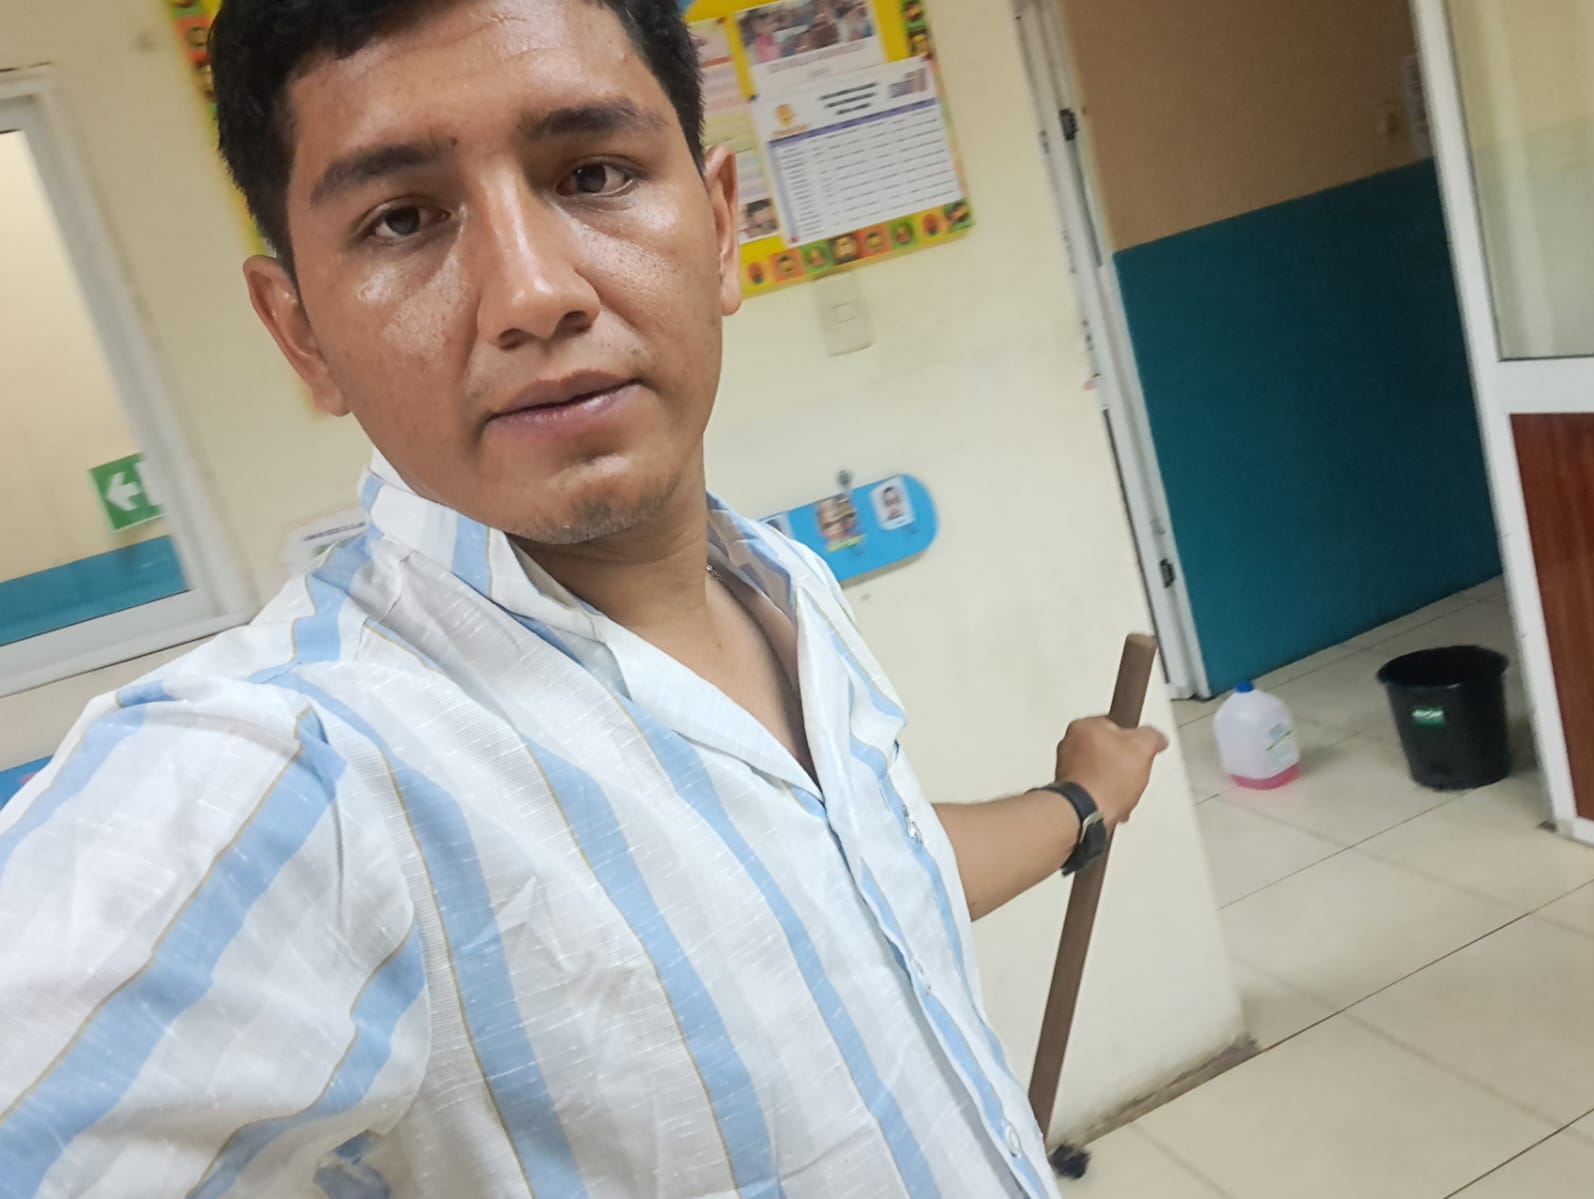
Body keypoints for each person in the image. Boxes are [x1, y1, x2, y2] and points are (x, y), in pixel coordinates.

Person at [0, 1, 1167, 1196]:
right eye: (403, 218)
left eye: (595, 173)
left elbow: (856, 890)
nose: (532, 293)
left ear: (721, 227)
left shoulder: (787, 586)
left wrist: (1080, 800)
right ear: (302, 334)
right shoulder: (293, 769)